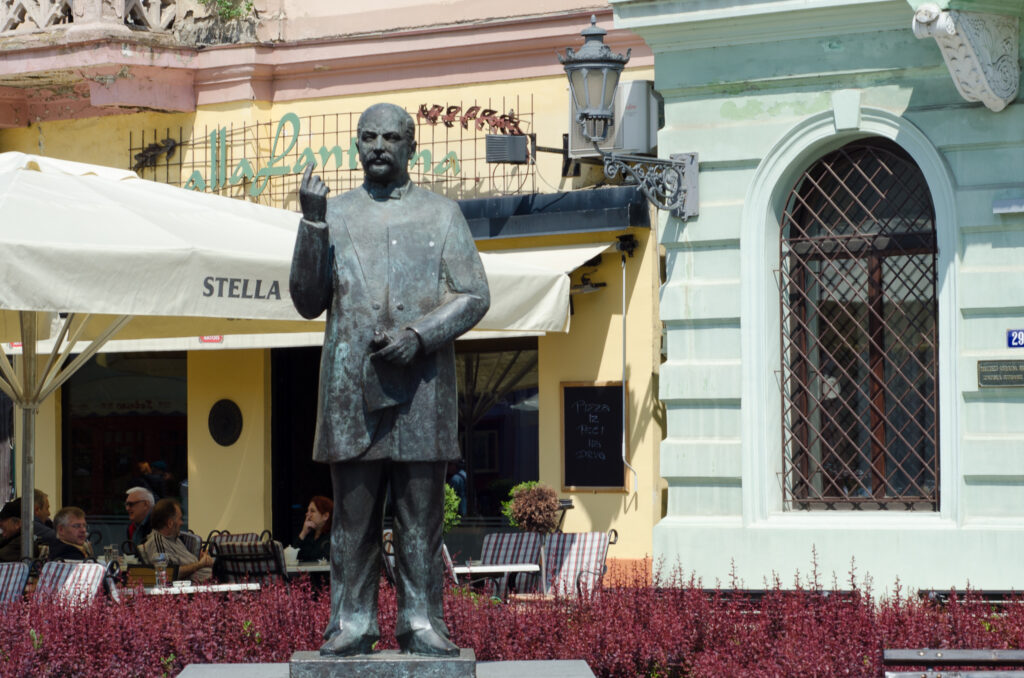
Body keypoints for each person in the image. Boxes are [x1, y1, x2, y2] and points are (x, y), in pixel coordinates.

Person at [290, 102, 489, 657]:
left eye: (391, 138)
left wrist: (421, 336)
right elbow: (307, 302)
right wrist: (311, 223)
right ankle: (351, 623)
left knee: (421, 519)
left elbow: (474, 295)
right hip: (351, 391)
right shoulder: (333, 214)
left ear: (411, 147)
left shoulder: (442, 214)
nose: (378, 146)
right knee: (351, 520)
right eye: (368, 137)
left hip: (422, 389)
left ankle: (421, 620)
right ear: (356, 146)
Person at [139, 498, 213, 583]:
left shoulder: (175, 538)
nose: (181, 523)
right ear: (170, 523)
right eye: (180, 519)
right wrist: (200, 564)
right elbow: (168, 573)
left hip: (209, 583)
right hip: (195, 590)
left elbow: (185, 563)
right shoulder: (157, 542)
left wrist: (200, 559)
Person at [294, 496, 332, 561]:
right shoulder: (309, 535)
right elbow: (292, 557)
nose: (307, 514)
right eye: (308, 511)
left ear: (325, 516)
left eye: (312, 511)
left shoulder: (332, 538)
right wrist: (303, 533)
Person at [0, 498, 23, 562]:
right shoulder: (11, 537)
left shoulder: (22, 543)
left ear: (17, 524)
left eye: (3, 528)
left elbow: (2, 555)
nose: (3, 534)